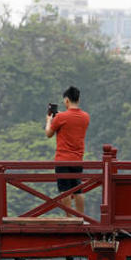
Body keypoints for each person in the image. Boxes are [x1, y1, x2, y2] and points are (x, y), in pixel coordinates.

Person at [45, 86, 90, 214]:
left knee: (64, 190)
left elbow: (49, 134)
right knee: (78, 189)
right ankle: (81, 217)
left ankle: (69, 218)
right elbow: (72, 123)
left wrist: (49, 121)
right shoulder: (86, 117)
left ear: (66, 101)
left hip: (62, 159)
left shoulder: (60, 118)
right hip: (77, 159)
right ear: (78, 99)